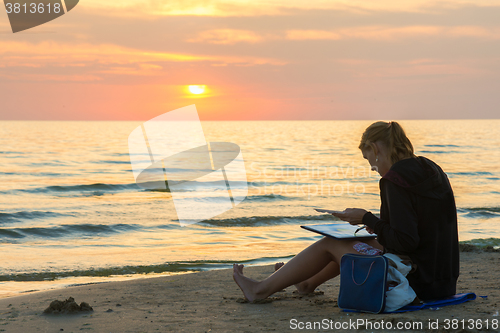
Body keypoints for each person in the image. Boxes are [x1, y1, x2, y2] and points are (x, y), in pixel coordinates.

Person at [233, 121, 459, 302]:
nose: (372, 168)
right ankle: (307, 284)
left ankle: (260, 290)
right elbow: (421, 226)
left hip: (412, 285)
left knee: (330, 243)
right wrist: (376, 224)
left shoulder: (394, 180)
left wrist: (366, 218)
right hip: (442, 282)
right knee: (360, 242)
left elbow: (406, 241)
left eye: (369, 159)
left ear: (376, 148)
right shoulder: (431, 169)